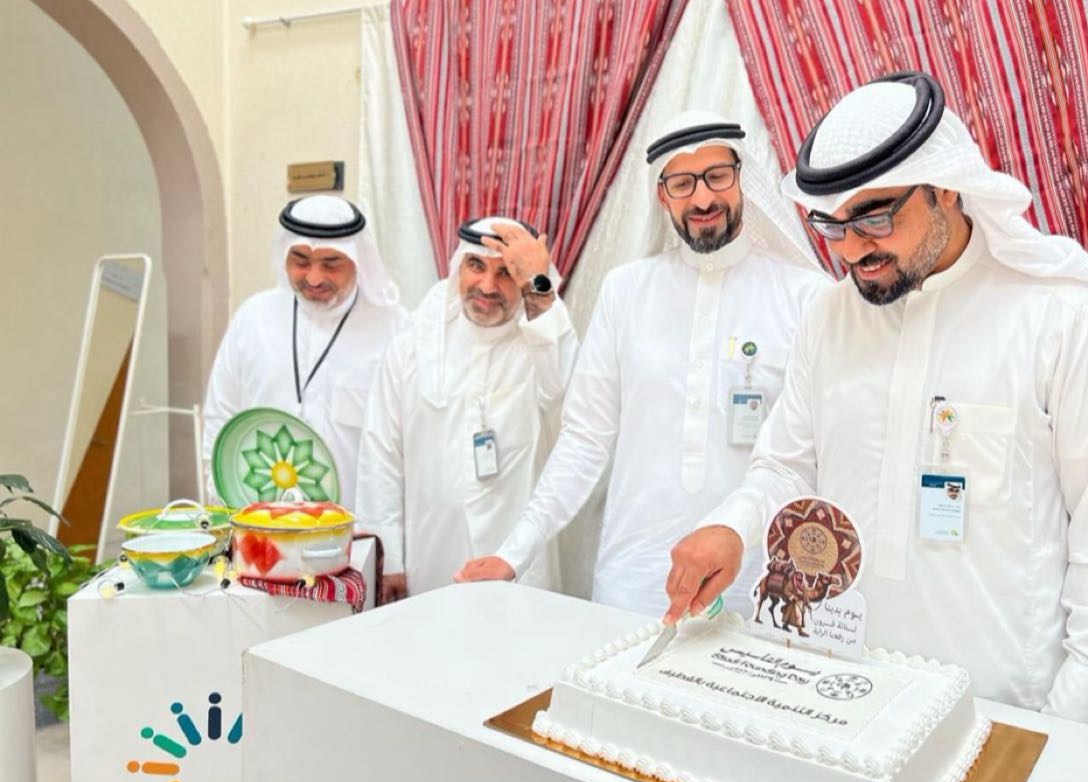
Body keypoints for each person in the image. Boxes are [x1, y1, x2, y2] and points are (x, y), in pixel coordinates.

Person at [668, 72, 1088, 726]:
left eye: (875, 217)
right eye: (832, 226)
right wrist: (732, 525)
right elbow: (788, 464)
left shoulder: (1062, 318)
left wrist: (1067, 722)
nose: (852, 249)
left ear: (945, 186)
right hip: (838, 689)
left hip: (1002, 707)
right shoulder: (830, 317)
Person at [455, 111, 831, 616]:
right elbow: (585, 438)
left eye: (717, 176)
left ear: (742, 178)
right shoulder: (626, 291)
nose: (703, 198)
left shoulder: (806, 296)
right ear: (662, 195)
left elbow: (811, 460)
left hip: (759, 586)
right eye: (682, 183)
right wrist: (514, 551)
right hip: (632, 581)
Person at [355, 217, 578, 602]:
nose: (487, 286)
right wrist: (389, 555)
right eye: (476, 266)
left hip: (519, 563)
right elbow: (382, 453)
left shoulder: (544, 343)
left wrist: (538, 283)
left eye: (506, 272)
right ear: (459, 266)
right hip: (432, 554)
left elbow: (566, 396)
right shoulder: (413, 346)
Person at [203, 195, 408, 511]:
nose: (313, 277)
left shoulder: (393, 329)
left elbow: (408, 445)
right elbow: (220, 415)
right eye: (300, 261)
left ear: (357, 260)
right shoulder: (254, 319)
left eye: (331, 264)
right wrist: (220, 496)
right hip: (259, 525)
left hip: (357, 525)